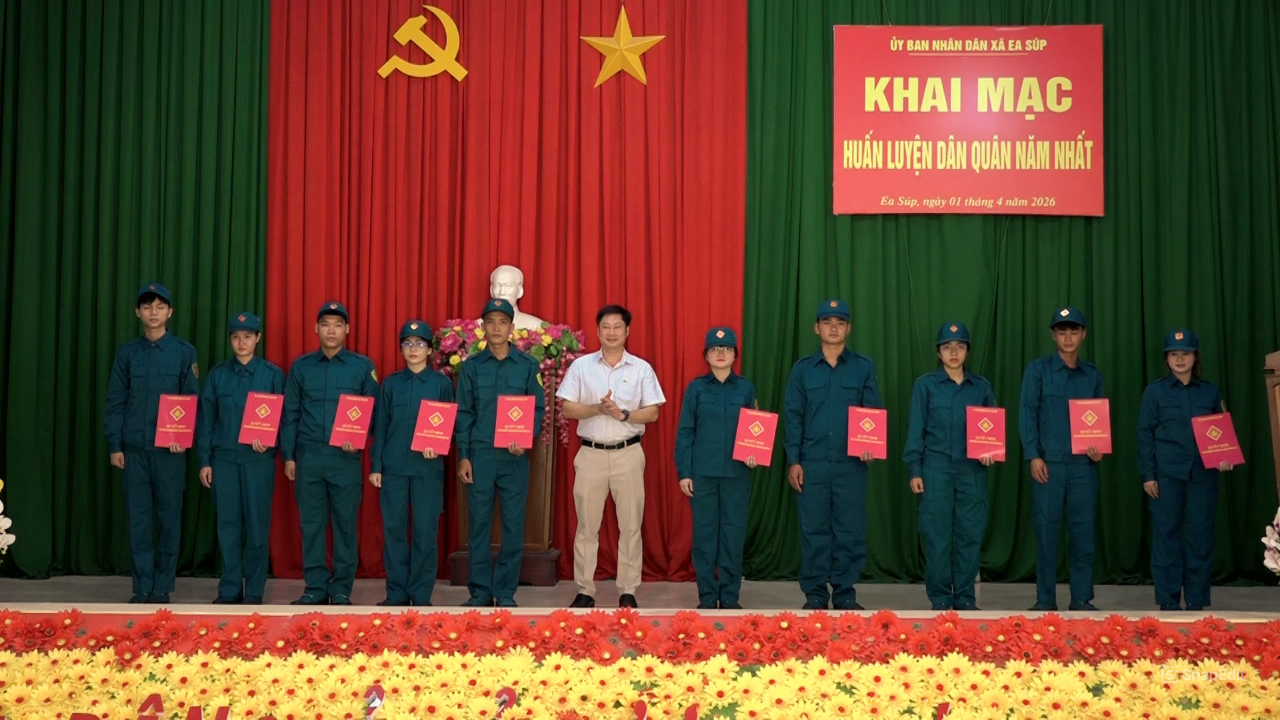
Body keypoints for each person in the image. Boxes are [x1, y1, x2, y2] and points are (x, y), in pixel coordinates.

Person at [558, 304, 666, 609]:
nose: (612, 332)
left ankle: (628, 590)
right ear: (597, 331)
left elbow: (653, 412)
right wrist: (597, 409)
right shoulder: (581, 367)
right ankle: (585, 590)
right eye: (606, 326)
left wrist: (623, 414)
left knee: (630, 525)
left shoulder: (641, 369)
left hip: (628, 453)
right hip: (590, 454)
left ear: (627, 331)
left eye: (618, 326)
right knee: (586, 526)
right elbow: (567, 408)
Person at [104, 282, 200, 604]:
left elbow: (191, 400)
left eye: (160, 307)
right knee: (138, 520)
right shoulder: (127, 353)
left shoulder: (185, 352)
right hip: (134, 450)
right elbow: (115, 401)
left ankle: (162, 587)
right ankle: (142, 586)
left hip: (170, 453)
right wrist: (115, 444)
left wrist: (181, 438)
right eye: (147, 307)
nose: (153, 312)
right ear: (138, 312)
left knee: (169, 519)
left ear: (170, 312)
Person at [784, 298, 881, 610]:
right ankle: (815, 594)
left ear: (849, 328)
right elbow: (793, 416)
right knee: (813, 529)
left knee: (849, 529)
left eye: (840, 322)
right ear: (817, 328)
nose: (834, 328)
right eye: (827, 322)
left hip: (850, 463)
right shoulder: (802, 370)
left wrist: (871, 445)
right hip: (811, 463)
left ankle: (844, 593)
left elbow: (872, 411)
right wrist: (794, 460)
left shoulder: (863, 367)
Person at [281, 301, 379, 606]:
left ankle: (341, 589)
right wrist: (289, 456)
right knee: (311, 525)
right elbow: (290, 414)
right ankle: (315, 587)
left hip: (344, 459)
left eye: (338, 325)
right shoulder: (301, 367)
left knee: (345, 524)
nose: (331, 330)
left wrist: (358, 438)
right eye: (325, 324)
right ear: (316, 329)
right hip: (309, 456)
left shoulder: (362, 366)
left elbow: (373, 411)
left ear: (347, 329)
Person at [455, 299, 545, 607]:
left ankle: (505, 592)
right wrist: (463, 456)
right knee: (478, 525)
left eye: (502, 322)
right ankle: (480, 591)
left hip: (514, 457)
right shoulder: (471, 367)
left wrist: (526, 437)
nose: (496, 327)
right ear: (483, 327)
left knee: (513, 525)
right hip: (480, 456)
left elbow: (537, 409)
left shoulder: (528, 366)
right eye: (490, 322)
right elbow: (464, 413)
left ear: (511, 327)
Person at [902, 322, 997, 611]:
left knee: (970, 535)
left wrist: (991, 452)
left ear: (967, 351)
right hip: (935, 470)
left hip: (972, 471)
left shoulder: (981, 387)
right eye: (947, 346)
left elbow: (991, 430)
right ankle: (941, 599)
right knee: (937, 537)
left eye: (960, 346)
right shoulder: (925, 386)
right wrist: (915, 470)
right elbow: (915, 430)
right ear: (938, 352)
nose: (953, 352)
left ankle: (966, 598)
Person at [1136, 329, 1233, 611]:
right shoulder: (1155, 392)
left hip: (1203, 475)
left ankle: (1196, 600)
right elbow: (1144, 435)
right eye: (1174, 354)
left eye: (1186, 354)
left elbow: (1221, 431)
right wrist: (1148, 475)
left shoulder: (1210, 391)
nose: (1180, 359)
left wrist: (1224, 457)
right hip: (1166, 476)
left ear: (1195, 357)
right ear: (1167, 359)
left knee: (1200, 537)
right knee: (1166, 537)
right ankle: (1168, 601)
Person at [1018, 306, 1105, 612]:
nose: (1068, 337)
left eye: (1074, 331)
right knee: (1046, 532)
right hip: (1049, 466)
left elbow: (1098, 421)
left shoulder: (1093, 375)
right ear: (1054, 335)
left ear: (1084, 334)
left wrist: (1098, 448)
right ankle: (1045, 599)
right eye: (1062, 331)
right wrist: (1033, 455)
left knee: (1083, 533)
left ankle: (1082, 598)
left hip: (1083, 466)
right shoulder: (1037, 371)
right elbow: (1027, 414)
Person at [195, 312, 285, 605]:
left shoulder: (272, 375)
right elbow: (207, 421)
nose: (241, 342)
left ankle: (255, 591)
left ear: (258, 338)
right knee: (228, 528)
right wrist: (204, 461)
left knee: (257, 529)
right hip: (224, 461)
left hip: (258, 462)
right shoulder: (218, 375)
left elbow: (285, 419)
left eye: (247, 336)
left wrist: (272, 443)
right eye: (235, 337)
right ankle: (230, 589)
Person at [368, 320, 454, 607]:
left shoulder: (442, 384)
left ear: (429, 350)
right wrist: (376, 466)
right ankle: (395, 593)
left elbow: (450, 425)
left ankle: (420, 595)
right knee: (394, 531)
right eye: (407, 344)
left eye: (419, 344)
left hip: (427, 470)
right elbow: (381, 426)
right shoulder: (391, 384)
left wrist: (439, 448)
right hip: (394, 468)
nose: (413, 349)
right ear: (401, 350)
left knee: (425, 532)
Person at [674, 327, 759, 610]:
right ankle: (708, 596)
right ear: (707, 355)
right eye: (715, 349)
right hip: (703, 474)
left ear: (735, 355)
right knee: (705, 536)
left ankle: (731, 596)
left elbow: (755, 429)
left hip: (737, 473)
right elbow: (685, 432)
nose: (721, 353)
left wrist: (755, 454)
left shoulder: (746, 388)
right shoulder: (696, 389)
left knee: (733, 535)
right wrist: (685, 472)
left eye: (726, 349)